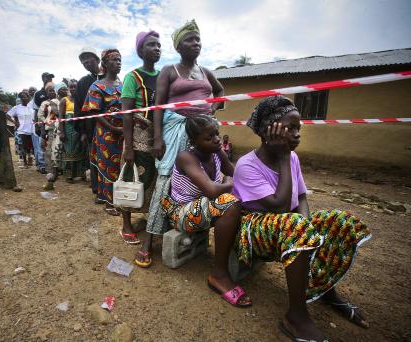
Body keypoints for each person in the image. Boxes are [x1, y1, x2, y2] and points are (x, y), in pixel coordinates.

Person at [232, 96, 371, 341]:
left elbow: (302, 196)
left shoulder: (292, 158)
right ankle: (295, 317)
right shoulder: (247, 165)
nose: (297, 134)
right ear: (269, 132)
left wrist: (309, 229)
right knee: (295, 225)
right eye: (291, 128)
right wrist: (284, 157)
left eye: (299, 128)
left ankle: (326, 289)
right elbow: (280, 207)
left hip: (286, 226)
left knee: (339, 220)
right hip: (252, 231)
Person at [137, 19, 225, 265]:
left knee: (206, 175)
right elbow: (158, 106)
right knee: (166, 182)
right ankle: (149, 240)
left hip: (203, 133)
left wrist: (214, 108)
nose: (195, 43)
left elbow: (220, 91)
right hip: (175, 132)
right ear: (178, 46)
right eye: (189, 39)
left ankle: (194, 226)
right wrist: (157, 138)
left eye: (197, 39)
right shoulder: (169, 71)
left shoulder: (206, 72)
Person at [160, 115, 252, 306]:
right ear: (194, 142)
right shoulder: (186, 157)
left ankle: (242, 255)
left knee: (244, 203)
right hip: (181, 213)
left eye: (217, 134)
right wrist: (227, 182)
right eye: (209, 137)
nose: (217, 139)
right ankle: (218, 275)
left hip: (205, 207)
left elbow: (235, 174)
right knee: (230, 202)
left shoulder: (217, 152)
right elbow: (211, 189)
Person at [119, 31, 161, 248]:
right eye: (152, 45)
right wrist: (128, 147)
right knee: (132, 178)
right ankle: (126, 224)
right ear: (141, 50)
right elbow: (126, 113)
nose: (157, 48)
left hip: (158, 137)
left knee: (154, 179)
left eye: (159, 45)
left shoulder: (163, 76)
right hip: (137, 136)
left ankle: (148, 220)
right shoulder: (132, 77)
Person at [82, 49, 123, 215]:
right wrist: (113, 128)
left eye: (120, 60)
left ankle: (119, 200)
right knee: (108, 166)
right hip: (106, 134)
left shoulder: (122, 84)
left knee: (121, 166)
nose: (118, 62)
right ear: (104, 64)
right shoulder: (97, 86)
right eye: (114, 60)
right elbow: (94, 112)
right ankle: (108, 202)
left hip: (123, 133)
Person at [74, 47, 102, 193]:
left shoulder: (111, 78)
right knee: (95, 158)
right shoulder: (83, 82)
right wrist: (82, 131)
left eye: (88, 57)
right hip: (91, 128)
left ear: (97, 59)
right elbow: (78, 109)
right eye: (82, 60)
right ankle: (97, 189)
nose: (85, 61)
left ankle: (110, 188)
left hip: (112, 127)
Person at [59, 79, 87, 182]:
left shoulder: (81, 99)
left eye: (75, 86)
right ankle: (69, 175)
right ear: (68, 88)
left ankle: (80, 174)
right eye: (71, 87)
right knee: (69, 152)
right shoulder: (64, 100)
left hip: (79, 130)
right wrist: (62, 132)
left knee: (80, 151)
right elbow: (61, 117)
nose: (73, 88)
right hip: (68, 130)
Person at [37, 82, 59, 190]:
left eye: (53, 90)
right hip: (50, 129)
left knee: (59, 150)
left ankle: (59, 172)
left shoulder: (60, 101)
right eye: (50, 90)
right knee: (49, 151)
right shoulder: (45, 103)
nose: (52, 92)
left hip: (60, 128)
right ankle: (51, 174)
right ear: (47, 93)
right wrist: (47, 123)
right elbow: (40, 116)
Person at [7, 91, 34, 168]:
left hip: (32, 129)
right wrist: (15, 122)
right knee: (23, 146)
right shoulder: (17, 108)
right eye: (22, 97)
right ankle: (25, 162)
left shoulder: (31, 106)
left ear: (28, 97)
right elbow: (7, 115)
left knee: (30, 146)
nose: (23, 98)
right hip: (22, 130)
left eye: (25, 96)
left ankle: (30, 158)